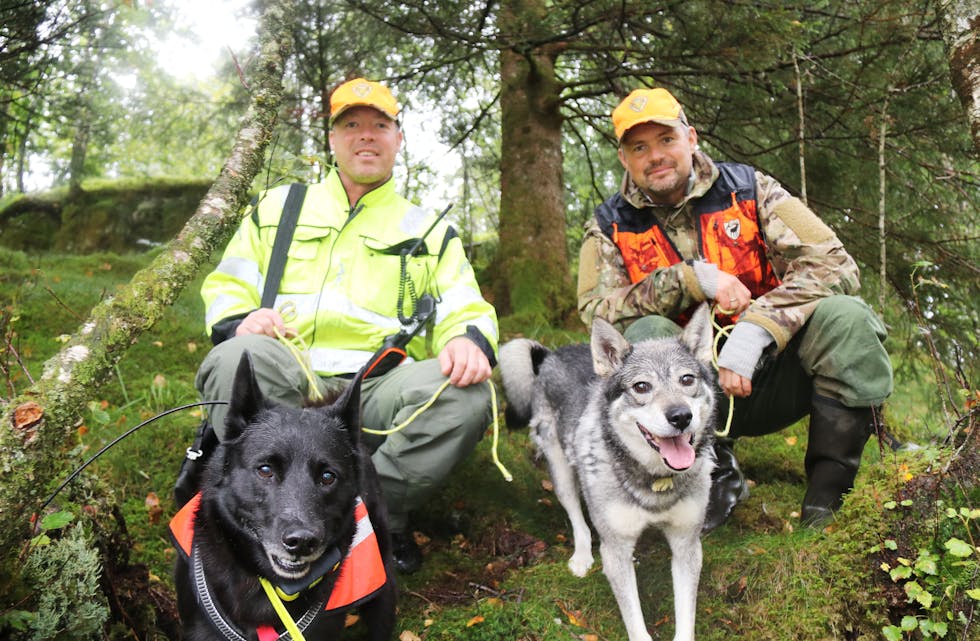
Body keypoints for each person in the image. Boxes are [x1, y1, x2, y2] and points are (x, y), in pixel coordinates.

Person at [195, 78, 498, 572]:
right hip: (286, 373)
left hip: (373, 388)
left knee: (466, 395)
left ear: (398, 139)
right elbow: (229, 283)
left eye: (380, 126)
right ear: (332, 140)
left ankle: (375, 515)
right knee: (235, 357)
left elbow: (465, 302)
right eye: (351, 125)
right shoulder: (278, 208)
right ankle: (254, 519)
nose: (366, 136)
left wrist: (467, 339)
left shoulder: (429, 230)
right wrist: (241, 320)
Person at [578, 86, 893, 530]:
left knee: (847, 316)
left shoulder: (750, 188)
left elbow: (834, 261)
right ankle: (712, 475)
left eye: (666, 140)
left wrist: (760, 326)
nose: (656, 156)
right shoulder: (609, 225)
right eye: (639, 147)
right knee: (647, 333)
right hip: (687, 396)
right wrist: (688, 280)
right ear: (624, 159)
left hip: (776, 373)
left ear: (691, 138)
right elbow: (595, 312)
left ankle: (827, 498)